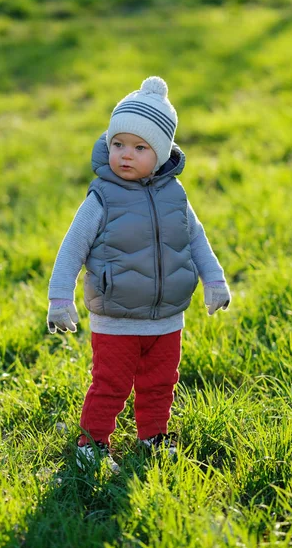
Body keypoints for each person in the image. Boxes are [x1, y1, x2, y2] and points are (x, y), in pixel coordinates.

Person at [48, 76, 231, 471]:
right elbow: (72, 248)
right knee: (110, 384)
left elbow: (197, 240)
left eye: (139, 147)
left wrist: (214, 281)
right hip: (115, 318)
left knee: (161, 383)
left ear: (162, 153)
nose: (125, 155)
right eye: (118, 144)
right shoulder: (102, 197)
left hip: (167, 318)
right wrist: (60, 299)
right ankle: (92, 444)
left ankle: (153, 436)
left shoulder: (175, 196)